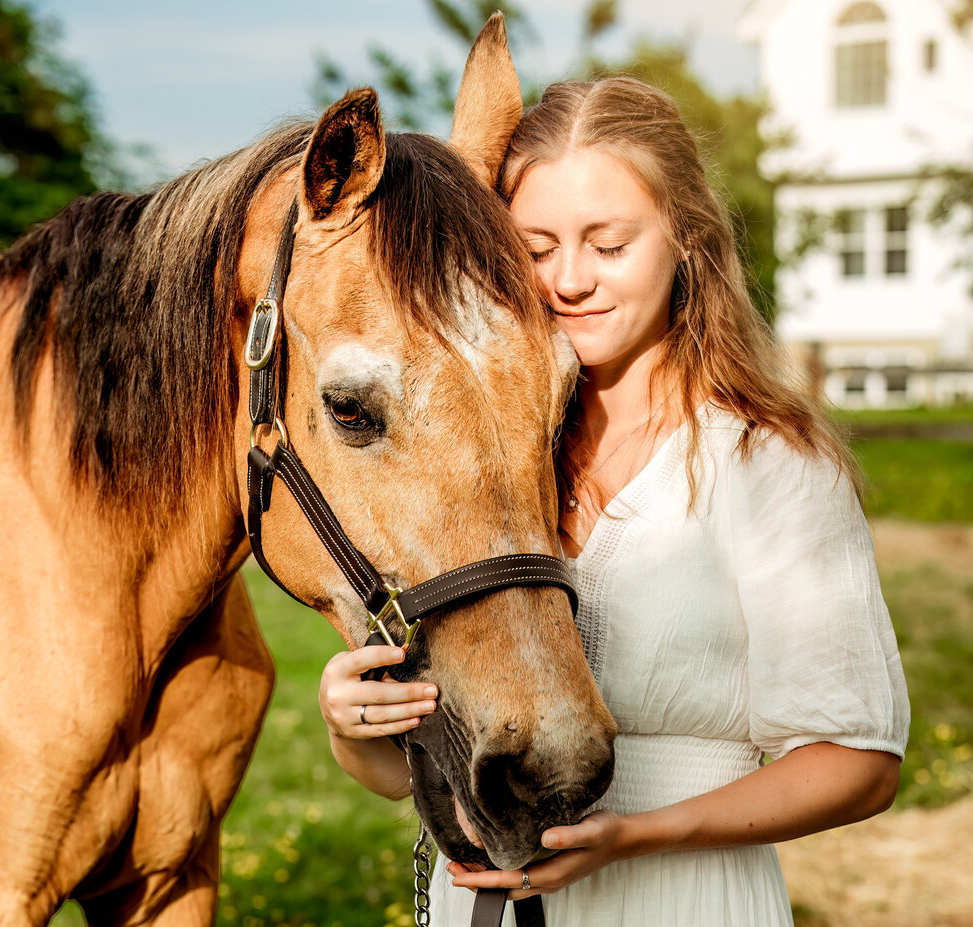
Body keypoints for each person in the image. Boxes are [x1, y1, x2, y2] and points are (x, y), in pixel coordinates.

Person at [316, 77, 910, 926]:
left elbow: (862, 763)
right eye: (537, 245)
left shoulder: (769, 464)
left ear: (687, 241)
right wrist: (356, 723)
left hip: (682, 897)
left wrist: (638, 834)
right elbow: (414, 773)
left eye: (609, 243)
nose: (569, 280)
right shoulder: (487, 466)